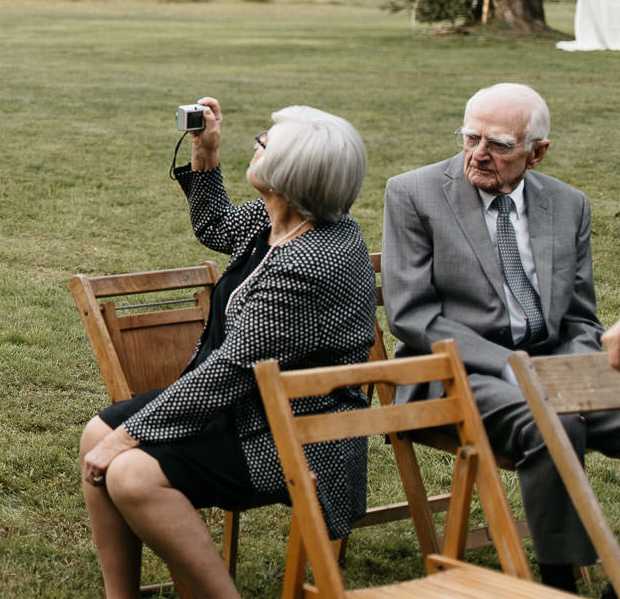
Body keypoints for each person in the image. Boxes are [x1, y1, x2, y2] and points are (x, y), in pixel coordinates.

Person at [81, 98, 374, 599]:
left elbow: (233, 368)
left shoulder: (311, 262)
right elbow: (215, 224)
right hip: (248, 407)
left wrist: (129, 437)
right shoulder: (280, 222)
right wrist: (205, 151)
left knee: (130, 473)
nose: (256, 144)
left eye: (264, 143)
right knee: (97, 432)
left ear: (288, 174)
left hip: (297, 431)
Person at [383, 82, 619, 592]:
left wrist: (574, 375)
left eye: (499, 144)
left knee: (583, 408)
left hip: (548, 362)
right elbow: (412, 316)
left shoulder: (568, 204)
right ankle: (562, 583)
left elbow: (580, 320)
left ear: (537, 153)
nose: (479, 154)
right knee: (551, 423)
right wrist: (517, 368)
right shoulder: (414, 193)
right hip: (456, 369)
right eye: (471, 138)